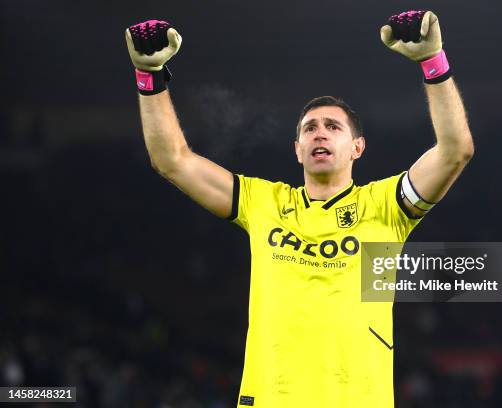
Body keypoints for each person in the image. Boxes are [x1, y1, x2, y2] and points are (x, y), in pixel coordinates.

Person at [125, 9, 473, 408]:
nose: (319, 132)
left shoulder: (386, 205)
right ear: (297, 150)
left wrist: (433, 61)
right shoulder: (264, 203)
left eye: (333, 127)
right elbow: (172, 160)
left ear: (357, 148)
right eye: (309, 128)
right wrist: (148, 76)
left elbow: (454, 151)